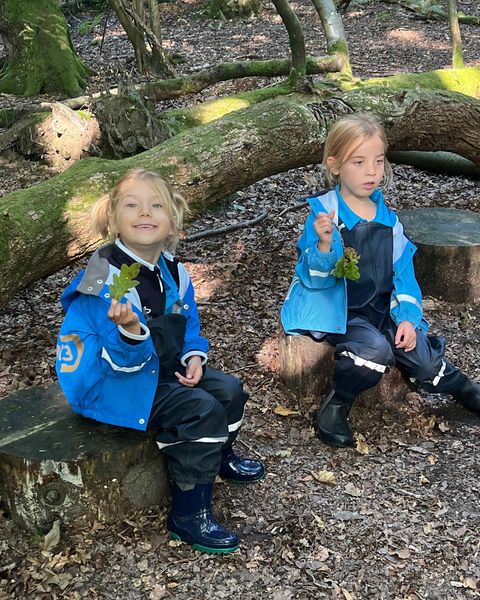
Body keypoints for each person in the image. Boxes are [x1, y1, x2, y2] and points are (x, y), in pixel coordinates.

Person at [56, 169, 264, 553]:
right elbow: (115, 364)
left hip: (158, 367)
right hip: (108, 382)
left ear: (172, 219)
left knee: (230, 391)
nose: (144, 213)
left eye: (156, 205)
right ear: (114, 219)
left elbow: (188, 326)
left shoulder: (173, 270)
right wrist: (131, 331)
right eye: (132, 205)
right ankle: (189, 513)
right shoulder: (103, 281)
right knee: (199, 409)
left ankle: (220, 455)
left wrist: (193, 358)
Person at [281, 113, 480, 448]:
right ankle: (337, 404)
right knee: (374, 350)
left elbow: (403, 275)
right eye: (358, 162)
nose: (371, 171)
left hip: (380, 308)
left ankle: (462, 388)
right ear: (335, 165)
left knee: (421, 355)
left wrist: (406, 319)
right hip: (342, 312)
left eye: (377, 160)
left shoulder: (389, 220)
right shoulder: (324, 214)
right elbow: (314, 276)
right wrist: (326, 243)